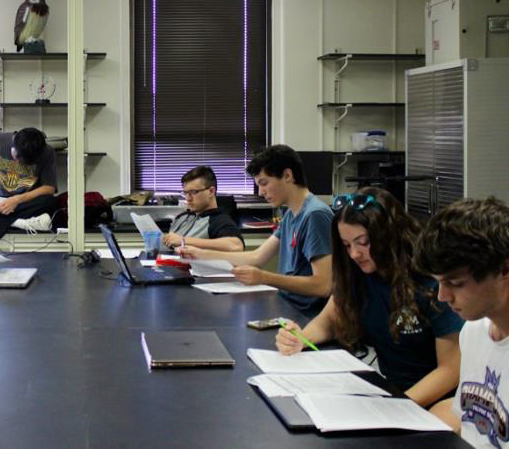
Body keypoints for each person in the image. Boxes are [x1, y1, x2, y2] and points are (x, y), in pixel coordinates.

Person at [275, 188, 462, 407]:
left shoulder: (430, 282)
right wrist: (301, 338)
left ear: (388, 235)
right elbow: (329, 320)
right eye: (346, 245)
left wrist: (401, 406)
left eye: (363, 242)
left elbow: (450, 370)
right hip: (391, 390)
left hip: (436, 400)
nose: (354, 253)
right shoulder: (358, 272)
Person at [178, 145, 332, 315]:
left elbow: (322, 286)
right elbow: (256, 257)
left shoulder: (315, 215)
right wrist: (200, 254)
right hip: (287, 304)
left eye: (264, 183)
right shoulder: (291, 215)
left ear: (287, 175)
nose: (260, 192)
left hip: (305, 315)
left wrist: (265, 278)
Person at [416, 197, 509, 446]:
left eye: (455, 283)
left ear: (504, 270)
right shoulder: (473, 331)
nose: (442, 296)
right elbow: (466, 416)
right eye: (439, 282)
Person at [160, 166, 244, 252]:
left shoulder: (218, 221)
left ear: (211, 191)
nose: (188, 198)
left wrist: (183, 241)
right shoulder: (181, 217)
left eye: (193, 192)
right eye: (185, 193)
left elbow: (236, 246)